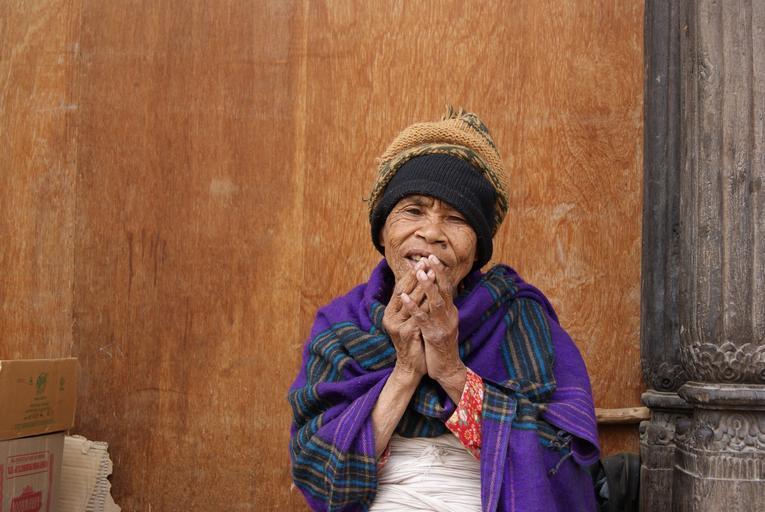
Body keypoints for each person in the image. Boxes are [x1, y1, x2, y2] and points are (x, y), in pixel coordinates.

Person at [288, 108, 600, 511]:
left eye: (455, 218)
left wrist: (451, 370)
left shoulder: (517, 317)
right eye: (413, 211)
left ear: (477, 249)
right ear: (382, 231)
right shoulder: (342, 326)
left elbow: (559, 469)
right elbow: (318, 476)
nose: (432, 233)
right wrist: (405, 371)